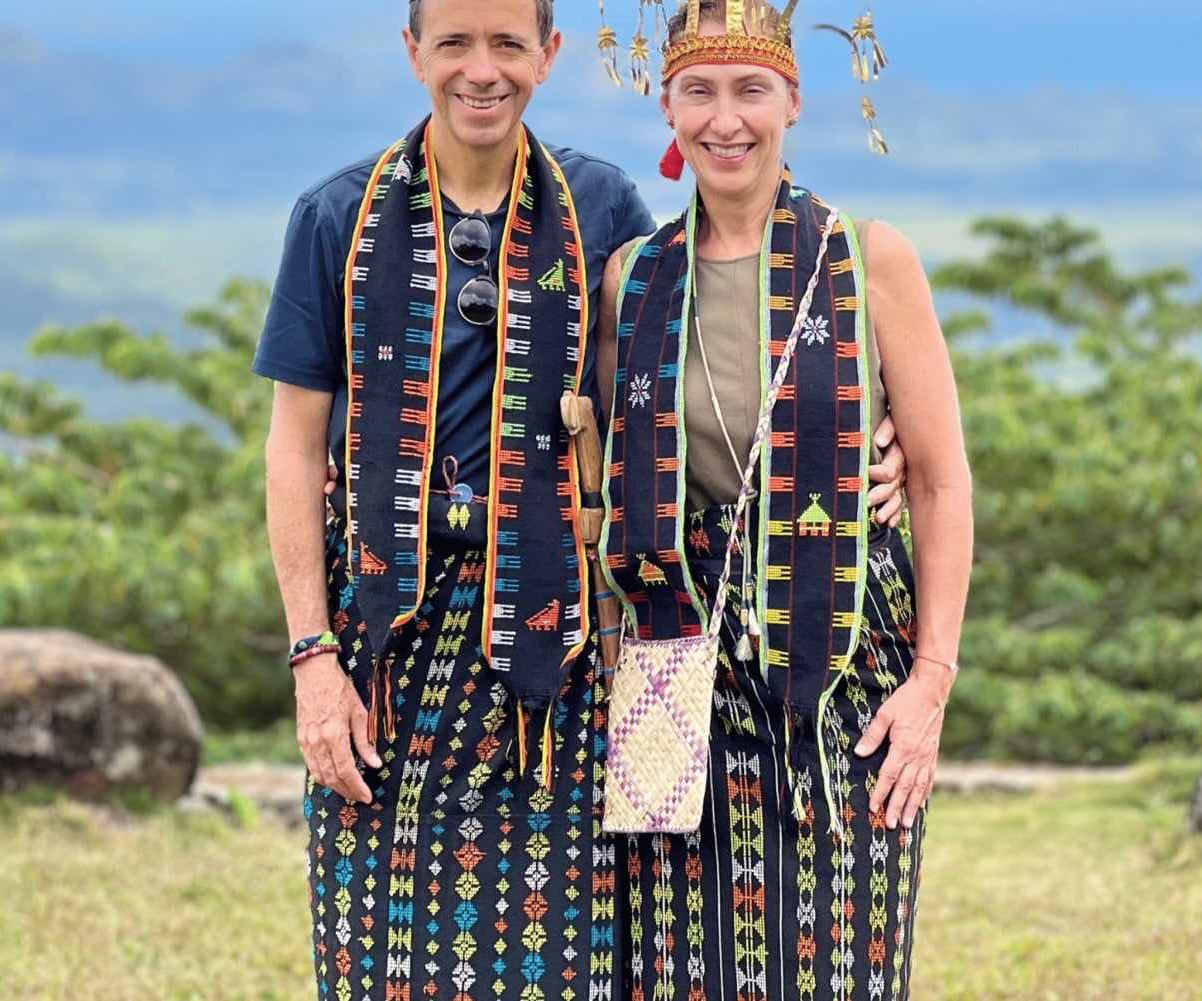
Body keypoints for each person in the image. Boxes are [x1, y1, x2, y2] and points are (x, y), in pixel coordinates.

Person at [256, 1, 908, 997]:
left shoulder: (598, 211)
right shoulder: (336, 217)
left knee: (570, 958)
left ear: (550, 54)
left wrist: (872, 441)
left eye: (508, 43)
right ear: (412, 53)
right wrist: (313, 659)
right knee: (378, 957)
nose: (483, 70)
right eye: (456, 44)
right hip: (384, 639)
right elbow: (296, 452)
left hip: (561, 640)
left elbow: (679, 379)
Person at [594, 3, 973, 1000]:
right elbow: (578, 460)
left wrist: (931, 682)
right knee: (677, 969)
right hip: (679, 674)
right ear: (667, 105)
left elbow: (936, 477)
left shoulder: (867, 259)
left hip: (845, 664)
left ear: (793, 102)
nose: (727, 120)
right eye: (700, 91)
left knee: (842, 964)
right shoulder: (633, 280)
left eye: (750, 90)